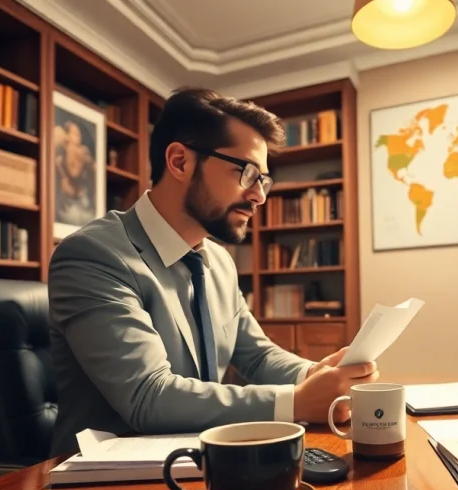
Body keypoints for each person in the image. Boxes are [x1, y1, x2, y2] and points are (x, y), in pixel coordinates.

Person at [47, 87, 377, 457]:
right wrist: (296, 402)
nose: (259, 196)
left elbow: (256, 356)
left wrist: (316, 375)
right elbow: (146, 396)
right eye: (248, 173)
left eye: (263, 180)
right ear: (180, 162)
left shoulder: (218, 261)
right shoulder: (94, 255)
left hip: (203, 462)